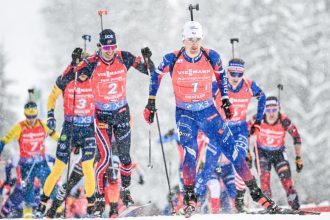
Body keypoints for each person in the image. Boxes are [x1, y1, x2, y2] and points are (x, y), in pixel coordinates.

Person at [143, 21, 277, 215]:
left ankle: (256, 193)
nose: (194, 43)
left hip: (208, 112)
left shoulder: (211, 55)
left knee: (233, 152)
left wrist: (225, 99)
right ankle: (190, 199)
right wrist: (151, 102)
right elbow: (156, 75)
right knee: (190, 154)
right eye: (190, 39)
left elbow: (221, 76)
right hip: (185, 113)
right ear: (183, 39)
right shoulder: (173, 58)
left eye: (197, 39)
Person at [75, 28, 155, 209]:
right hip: (101, 116)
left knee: (125, 157)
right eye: (106, 47)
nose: (110, 50)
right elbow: (77, 79)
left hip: (121, 113)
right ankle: (100, 196)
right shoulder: (93, 61)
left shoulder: (123, 57)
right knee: (104, 158)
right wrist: (77, 64)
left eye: (113, 46)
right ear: (101, 46)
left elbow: (149, 71)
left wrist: (148, 59)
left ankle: (126, 191)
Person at [196, 57, 267, 212]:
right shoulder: (219, 85)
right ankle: (192, 201)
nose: (235, 78)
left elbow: (263, 97)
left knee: (240, 161)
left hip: (239, 129)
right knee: (208, 168)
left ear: (243, 74)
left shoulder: (249, 85)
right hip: (219, 130)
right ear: (227, 72)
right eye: (232, 73)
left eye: (239, 74)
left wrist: (258, 122)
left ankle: (240, 198)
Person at [35, 48, 97, 217]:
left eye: (87, 71)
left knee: (87, 167)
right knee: (58, 168)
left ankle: (91, 203)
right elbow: (51, 97)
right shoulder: (67, 79)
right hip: (69, 128)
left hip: (87, 129)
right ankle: (43, 202)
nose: (84, 75)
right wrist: (50, 116)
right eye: (81, 71)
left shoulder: (95, 79)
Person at [0, 99, 59, 216]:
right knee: (28, 196)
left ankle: (57, 211)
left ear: (36, 115)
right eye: (28, 116)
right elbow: (6, 138)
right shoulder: (20, 127)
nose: (31, 120)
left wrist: (64, 141)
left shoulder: (43, 124)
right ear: (25, 115)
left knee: (51, 187)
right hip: (26, 165)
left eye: (33, 116)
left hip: (41, 163)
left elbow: (54, 134)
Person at [248, 96, 302, 210]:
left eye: (274, 109)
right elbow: (244, 133)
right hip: (262, 152)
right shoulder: (257, 119)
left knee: (287, 181)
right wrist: (247, 153)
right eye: (268, 110)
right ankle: (268, 206)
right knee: (264, 179)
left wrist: (298, 158)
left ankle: (295, 206)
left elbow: (296, 138)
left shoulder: (284, 120)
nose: (271, 113)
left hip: (279, 153)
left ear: (279, 109)